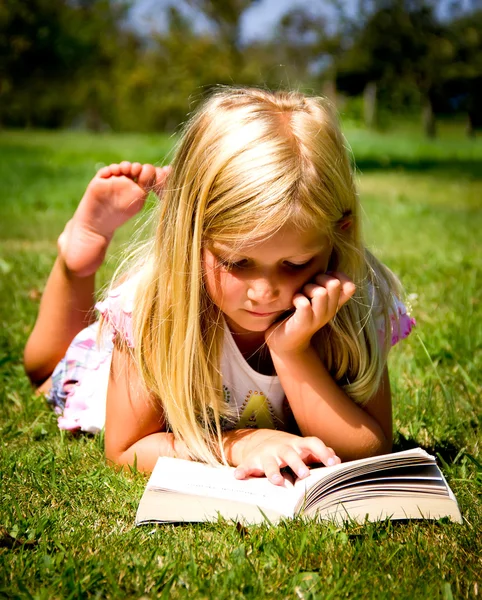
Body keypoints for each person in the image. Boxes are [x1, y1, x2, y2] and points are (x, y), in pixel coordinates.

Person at [24, 88, 414, 486]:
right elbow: (125, 450)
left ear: (338, 236)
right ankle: (77, 261)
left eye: (294, 264)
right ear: (190, 234)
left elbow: (373, 448)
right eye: (237, 261)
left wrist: (292, 352)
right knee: (47, 375)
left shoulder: (358, 302)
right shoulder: (152, 307)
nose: (264, 291)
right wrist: (240, 444)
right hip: (107, 366)